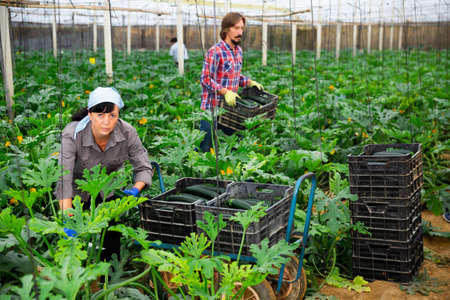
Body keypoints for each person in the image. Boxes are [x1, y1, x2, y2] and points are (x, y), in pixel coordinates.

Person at [55, 87, 153, 259]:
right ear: (90, 114)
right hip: (80, 191)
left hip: (111, 189)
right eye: (100, 115)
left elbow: (143, 166)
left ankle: (107, 279)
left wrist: (136, 189)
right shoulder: (72, 134)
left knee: (111, 239)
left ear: (118, 115)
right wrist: (68, 216)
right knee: (79, 244)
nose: (106, 121)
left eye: (112, 115)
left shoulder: (127, 132)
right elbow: (64, 178)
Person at [199, 12, 264, 152]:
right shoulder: (215, 51)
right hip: (212, 112)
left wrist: (249, 82)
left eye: (242, 28)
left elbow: (234, 75)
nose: (240, 32)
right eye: (236, 28)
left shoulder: (238, 51)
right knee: (206, 153)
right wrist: (225, 91)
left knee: (231, 152)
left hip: (229, 112)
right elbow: (205, 79)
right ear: (226, 29)